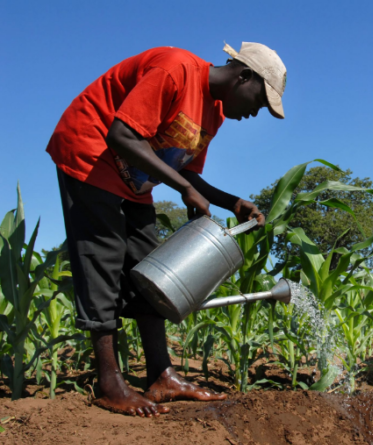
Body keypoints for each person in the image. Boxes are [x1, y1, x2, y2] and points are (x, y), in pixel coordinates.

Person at [46, 42, 287, 417]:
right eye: (260, 101)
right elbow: (121, 136)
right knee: (103, 261)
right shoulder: (174, 69)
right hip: (91, 153)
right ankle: (109, 383)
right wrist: (183, 189)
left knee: (152, 267)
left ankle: (162, 376)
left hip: (135, 179)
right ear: (243, 76)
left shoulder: (214, 115)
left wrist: (230, 201)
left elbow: (186, 171)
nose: (257, 112)